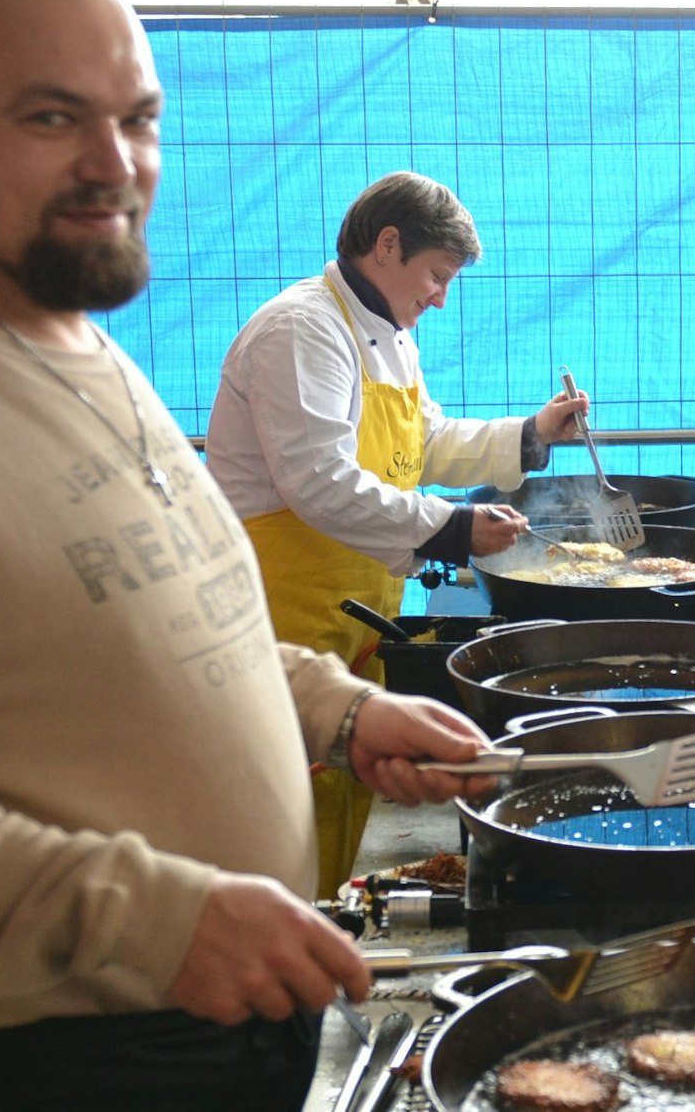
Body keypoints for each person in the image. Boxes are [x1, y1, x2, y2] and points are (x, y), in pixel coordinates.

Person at [0, 0, 493, 1106]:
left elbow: (168, 623)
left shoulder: (83, 355)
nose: (115, 163)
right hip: (37, 1058)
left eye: (137, 118)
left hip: (208, 1022)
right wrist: (160, 919)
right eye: (52, 117)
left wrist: (336, 710)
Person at [206, 171, 584, 896]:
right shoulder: (303, 329)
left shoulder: (387, 335)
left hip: (354, 616)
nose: (441, 297)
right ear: (387, 245)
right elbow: (318, 479)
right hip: (283, 616)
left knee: (336, 789)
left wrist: (531, 433)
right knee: (281, 800)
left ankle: (325, 921)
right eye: (437, 275)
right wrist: (451, 527)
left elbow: (425, 441)